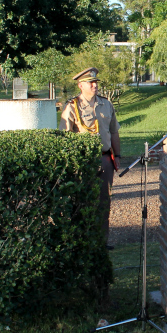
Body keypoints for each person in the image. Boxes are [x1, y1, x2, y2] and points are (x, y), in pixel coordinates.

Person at [60, 67, 121, 247]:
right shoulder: (72, 106)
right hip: (83, 162)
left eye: (95, 82)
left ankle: (101, 242)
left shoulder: (106, 104)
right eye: (90, 82)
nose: (95, 85)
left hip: (104, 159)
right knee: (82, 201)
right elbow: (64, 136)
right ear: (81, 85)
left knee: (104, 202)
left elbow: (114, 132)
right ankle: (82, 241)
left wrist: (117, 155)